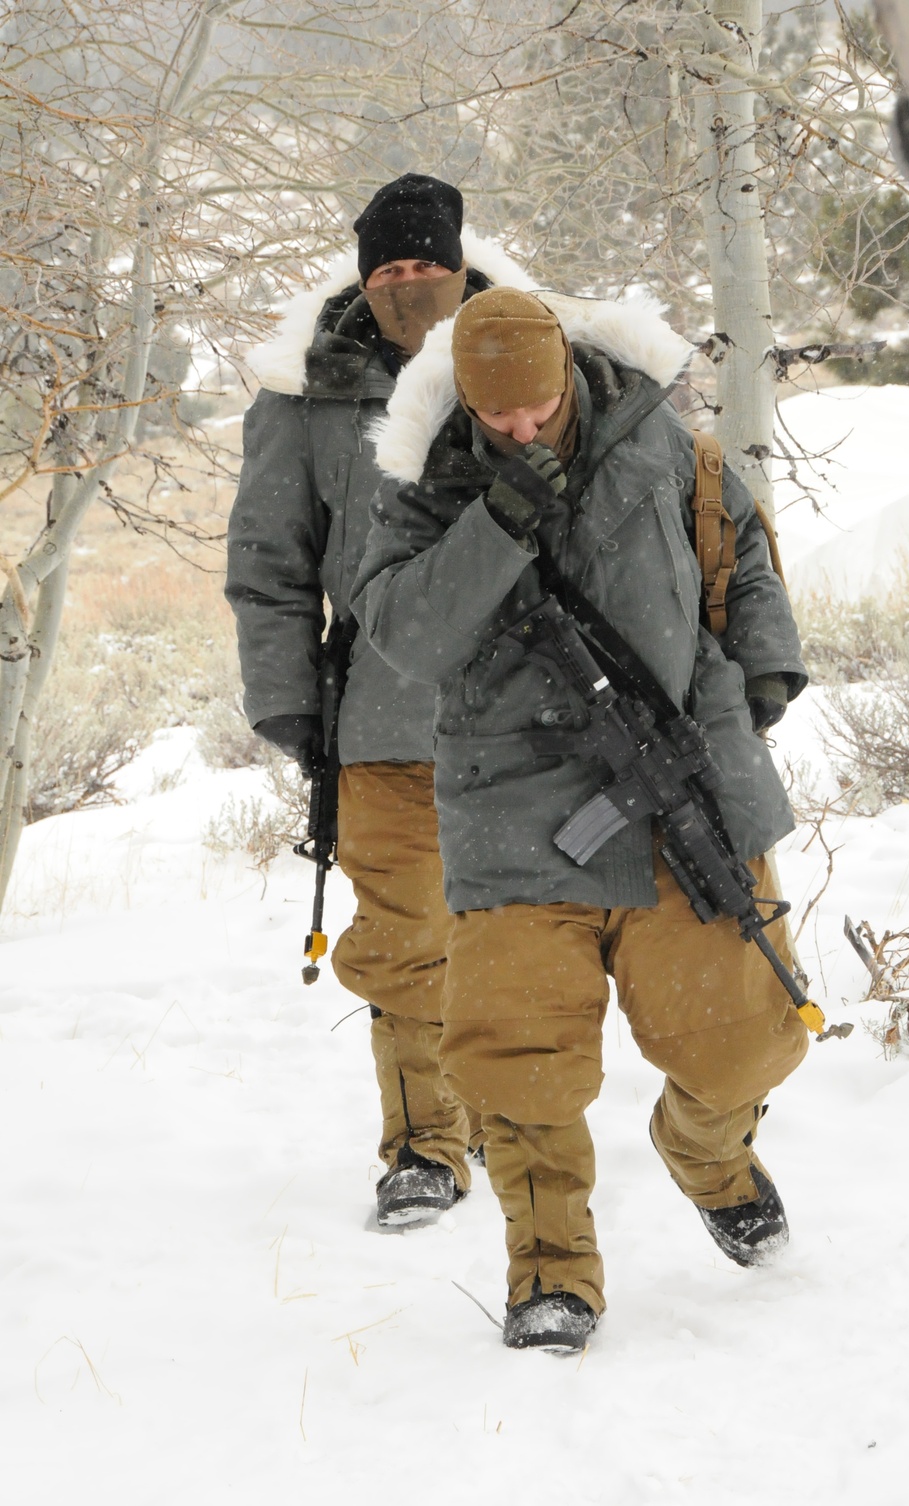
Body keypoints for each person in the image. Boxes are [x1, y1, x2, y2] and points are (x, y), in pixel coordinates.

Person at [353, 286, 811, 1348]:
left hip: (678, 780)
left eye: (538, 407)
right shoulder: (424, 484)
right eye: (497, 416)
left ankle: (707, 1151)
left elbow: (736, 538)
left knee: (745, 1040)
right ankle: (551, 1273)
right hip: (511, 812)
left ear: (568, 372)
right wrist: (497, 520)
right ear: (466, 398)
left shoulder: (659, 435)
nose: (521, 428)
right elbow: (405, 634)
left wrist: (765, 675)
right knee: (520, 1067)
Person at [225, 177, 538, 1228]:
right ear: (365, 276)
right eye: (389, 270)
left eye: (426, 266)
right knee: (409, 938)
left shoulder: (530, 367)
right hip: (382, 720)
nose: (410, 285)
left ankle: (509, 1122)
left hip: (531, 715)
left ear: (460, 264)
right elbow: (269, 564)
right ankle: (424, 1146)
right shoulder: (306, 396)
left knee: (515, 935)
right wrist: (287, 704)